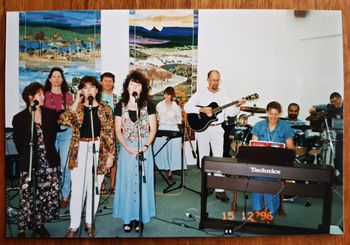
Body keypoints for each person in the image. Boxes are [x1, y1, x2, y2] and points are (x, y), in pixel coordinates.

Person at [59, 76, 115, 237]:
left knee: (95, 188)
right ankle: (74, 225)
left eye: (92, 87)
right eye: (85, 87)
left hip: (99, 149)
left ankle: (90, 222)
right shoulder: (77, 108)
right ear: (81, 90)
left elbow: (110, 134)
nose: (89, 90)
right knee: (78, 190)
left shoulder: (105, 109)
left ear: (97, 90)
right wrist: (77, 100)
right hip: (80, 150)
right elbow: (63, 119)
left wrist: (110, 155)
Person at [184, 70, 244, 202]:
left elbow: (232, 113)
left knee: (218, 158)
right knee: (204, 158)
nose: (215, 83)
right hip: (203, 130)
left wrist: (237, 105)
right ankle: (206, 185)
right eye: (213, 80)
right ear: (208, 80)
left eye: (217, 80)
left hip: (217, 129)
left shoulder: (223, 94)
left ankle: (219, 189)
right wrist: (201, 109)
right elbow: (186, 107)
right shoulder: (200, 93)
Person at [12, 82, 60, 237]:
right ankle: (22, 226)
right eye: (39, 94)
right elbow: (18, 142)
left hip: (49, 161)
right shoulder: (19, 118)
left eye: (43, 94)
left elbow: (65, 118)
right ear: (30, 97)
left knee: (44, 196)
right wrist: (28, 157)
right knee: (27, 196)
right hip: (30, 162)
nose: (42, 97)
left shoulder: (51, 114)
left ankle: (39, 225)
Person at [112, 70, 157, 233]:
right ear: (127, 86)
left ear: (142, 87)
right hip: (127, 149)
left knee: (142, 184)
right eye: (132, 83)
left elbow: (153, 129)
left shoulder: (148, 105)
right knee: (127, 183)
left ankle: (139, 217)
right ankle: (128, 218)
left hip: (144, 147)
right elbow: (118, 130)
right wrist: (127, 147)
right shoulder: (120, 105)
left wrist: (144, 147)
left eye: (138, 84)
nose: (135, 86)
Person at [250, 101, 294, 220]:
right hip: (260, 163)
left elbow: (290, 148)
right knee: (258, 177)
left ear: (280, 114)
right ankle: (258, 210)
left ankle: (269, 210)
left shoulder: (285, 127)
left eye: (276, 115)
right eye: (271, 114)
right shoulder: (258, 125)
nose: (273, 117)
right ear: (266, 113)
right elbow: (253, 145)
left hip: (276, 164)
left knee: (271, 178)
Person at [43, 67, 74, 209]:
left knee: (65, 165)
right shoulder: (43, 95)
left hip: (65, 132)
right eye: (54, 76)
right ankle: (52, 195)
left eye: (59, 76)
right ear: (49, 79)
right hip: (50, 134)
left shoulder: (68, 95)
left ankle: (65, 195)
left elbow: (70, 114)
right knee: (51, 165)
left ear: (62, 79)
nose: (56, 79)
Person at [153, 86, 186, 183]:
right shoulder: (159, 105)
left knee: (173, 151)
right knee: (160, 150)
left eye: (169, 94)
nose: (166, 96)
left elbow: (179, 120)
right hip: (162, 129)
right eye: (165, 94)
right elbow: (158, 118)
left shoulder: (176, 106)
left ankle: (170, 172)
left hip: (173, 129)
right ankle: (161, 167)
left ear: (172, 96)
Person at [309, 92, 343, 184]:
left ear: (340, 99)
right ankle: (341, 176)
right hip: (340, 135)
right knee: (338, 157)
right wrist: (314, 108)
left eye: (335, 101)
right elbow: (319, 107)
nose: (333, 103)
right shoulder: (330, 107)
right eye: (332, 102)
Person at [99, 72, 118, 195]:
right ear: (101, 82)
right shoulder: (97, 96)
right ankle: (102, 185)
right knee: (101, 158)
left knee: (114, 157)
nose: (108, 83)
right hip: (100, 131)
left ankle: (113, 185)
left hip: (114, 131)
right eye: (105, 80)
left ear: (113, 83)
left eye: (110, 81)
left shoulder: (117, 98)